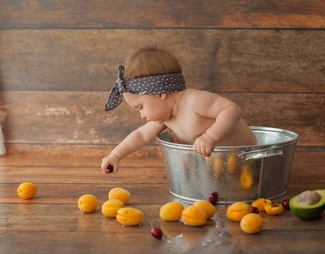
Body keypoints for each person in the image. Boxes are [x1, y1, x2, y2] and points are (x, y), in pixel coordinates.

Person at [101, 46, 257, 174]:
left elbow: (231, 109)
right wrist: (115, 155)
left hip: (251, 159)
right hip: (221, 169)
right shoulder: (166, 117)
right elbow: (140, 135)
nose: (142, 115)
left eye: (141, 107)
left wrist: (211, 136)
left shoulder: (193, 101)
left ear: (160, 94)